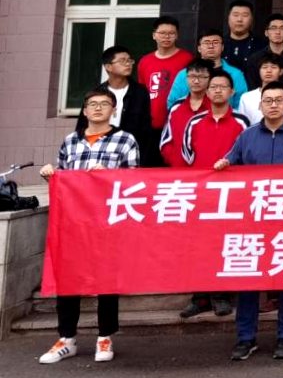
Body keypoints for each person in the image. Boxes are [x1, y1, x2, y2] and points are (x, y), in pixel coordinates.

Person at [216, 81, 283, 361]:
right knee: (248, 281)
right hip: (253, 222)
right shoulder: (247, 135)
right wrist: (223, 166)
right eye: (268, 101)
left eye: (279, 100)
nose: (273, 105)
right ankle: (245, 338)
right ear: (260, 105)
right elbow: (230, 161)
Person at [38, 87, 140, 365]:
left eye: (104, 104)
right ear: (84, 111)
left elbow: (134, 181)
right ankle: (66, 339)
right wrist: (51, 175)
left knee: (106, 280)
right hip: (74, 222)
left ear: (113, 110)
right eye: (92, 104)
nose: (97, 108)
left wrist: (109, 176)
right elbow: (62, 178)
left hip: (108, 221)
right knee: (68, 278)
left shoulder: (125, 140)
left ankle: (104, 336)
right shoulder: (70, 141)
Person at [179, 70, 248, 320]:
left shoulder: (242, 122)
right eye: (213, 87)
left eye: (223, 86)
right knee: (199, 244)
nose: (218, 90)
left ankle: (221, 296)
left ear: (232, 92)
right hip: (201, 193)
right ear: (207, 93)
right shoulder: (194, 122)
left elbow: (246, 155)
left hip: (232, 193)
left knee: (224, 243)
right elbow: (187, 155)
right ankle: (199, 297)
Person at [76, 46, 153, 165]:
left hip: (129, 155)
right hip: (99, 154)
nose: (128, 64)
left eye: (129, 60)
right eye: (122, 61)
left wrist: (140, 162)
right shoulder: (96, 94)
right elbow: (82, 127)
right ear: (108, 67)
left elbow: (145, 131)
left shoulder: (140, 92)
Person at [166, 28, 248, 111]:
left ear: (222, 47)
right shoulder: (184, 74)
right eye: (206, 42)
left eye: (215, 42)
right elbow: (172, 103)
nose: (211, 46)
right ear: (199, 48)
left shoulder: (235, 74)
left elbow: (241, 105)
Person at [137, 16, 192, 134]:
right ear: (154, 35)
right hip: (150, 125)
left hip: (178, 123)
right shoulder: (145, 61)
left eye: (171, 33)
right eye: (162, 33)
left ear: (177, 36)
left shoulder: (187, 59)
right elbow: (142, 93)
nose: (167, 37)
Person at [162, 59, 218, 167]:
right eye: (192, 76)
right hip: (179, 169)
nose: (196, 81)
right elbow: (166, 140)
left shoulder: (216, 107)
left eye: (202, 77)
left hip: (208, 170)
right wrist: (173, 158)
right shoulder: (176, 107)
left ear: (210, 79)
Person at [245, 13, 283, 88]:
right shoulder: (254, 59)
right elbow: (252, 87)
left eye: (282, 28)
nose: (278, 32)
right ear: (266, 33)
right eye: (273, 28)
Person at [238, 51, 283, 127]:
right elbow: (242, 125)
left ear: (281, 71)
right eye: (264, 67)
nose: (269, 71)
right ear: (259, 70)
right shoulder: (246, 98)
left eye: (273, 67)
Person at [224, 0, 261, 73]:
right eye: (235, 15)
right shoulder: (219, 44)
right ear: (228, 18)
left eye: (245, 15)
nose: (239, 19)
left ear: (251, 19)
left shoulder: (262, 45)